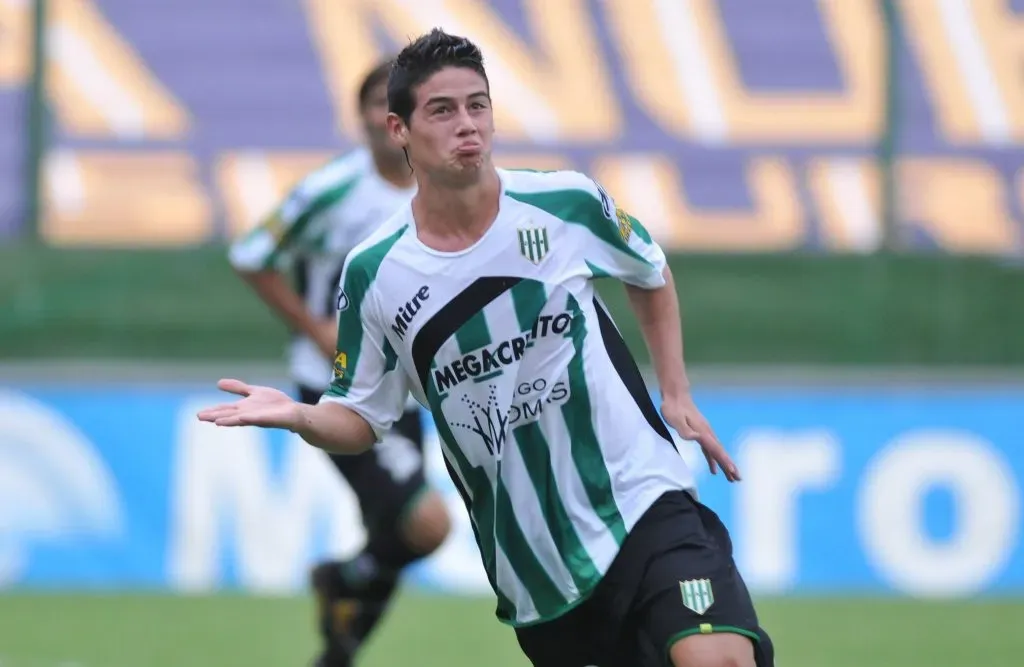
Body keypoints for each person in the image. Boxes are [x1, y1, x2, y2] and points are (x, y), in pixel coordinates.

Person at [203, 28, 775, 667]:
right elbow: (361, 416)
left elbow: (648, 268)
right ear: (400, 130)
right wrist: (301, 416)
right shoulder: (374, 269)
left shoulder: (564, 202)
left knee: (720, 659)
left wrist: (675, 390)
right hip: (534, 565)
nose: (467, 124)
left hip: (640, 497)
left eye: (478, 105)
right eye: (442, 111)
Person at [226, 59, 451, 667]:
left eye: (394, 103)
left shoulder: (445, 187)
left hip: (406, 385)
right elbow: (251, 254)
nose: (384, 117)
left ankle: (338, 639)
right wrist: (316, 326)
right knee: (425, 524)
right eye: (373, 103)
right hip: (338, 384)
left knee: (395, 528)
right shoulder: (332, 189)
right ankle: (344, 582)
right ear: (361, 118)